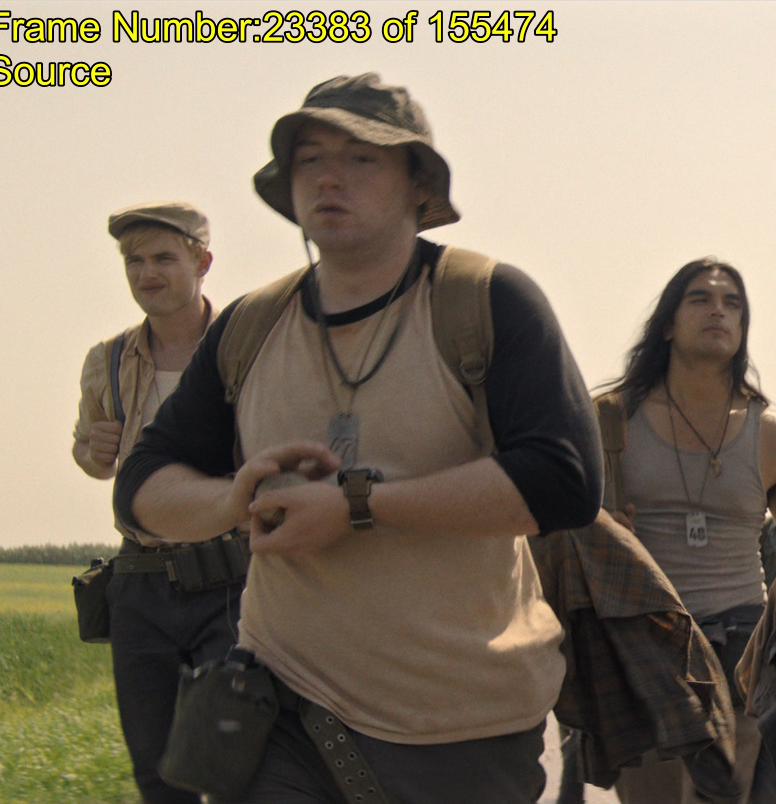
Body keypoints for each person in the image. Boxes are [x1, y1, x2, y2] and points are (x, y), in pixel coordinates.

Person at [112, 74, 601, 803]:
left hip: (459, 721)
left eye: (362, 158)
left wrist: (358, 506)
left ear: (418, 184)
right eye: (309, 159)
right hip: (282, 705)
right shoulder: (250, 326)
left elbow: (565, 481)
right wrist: (231, 499)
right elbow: (142, 484)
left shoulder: (485, 301)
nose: (329, 178)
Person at [587, 258, 776, 803]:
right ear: (667, 324)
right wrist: (601, 529)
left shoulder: (774, 436)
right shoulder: (610, 421)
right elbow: (551, 524)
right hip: (645, 639)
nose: (718, 311)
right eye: (700, 299)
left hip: (741, 644)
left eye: (732, 303)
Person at [74, 201, 242, 804]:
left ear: (203, 262)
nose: (147, 274)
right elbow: (91, 456)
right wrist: (91, 451)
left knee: (239, 760)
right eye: (134, 261)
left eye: (164, 258)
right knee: (156, 771)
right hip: (139, 582)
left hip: (231, 578)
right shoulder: (108, 358)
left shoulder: (246, 346)